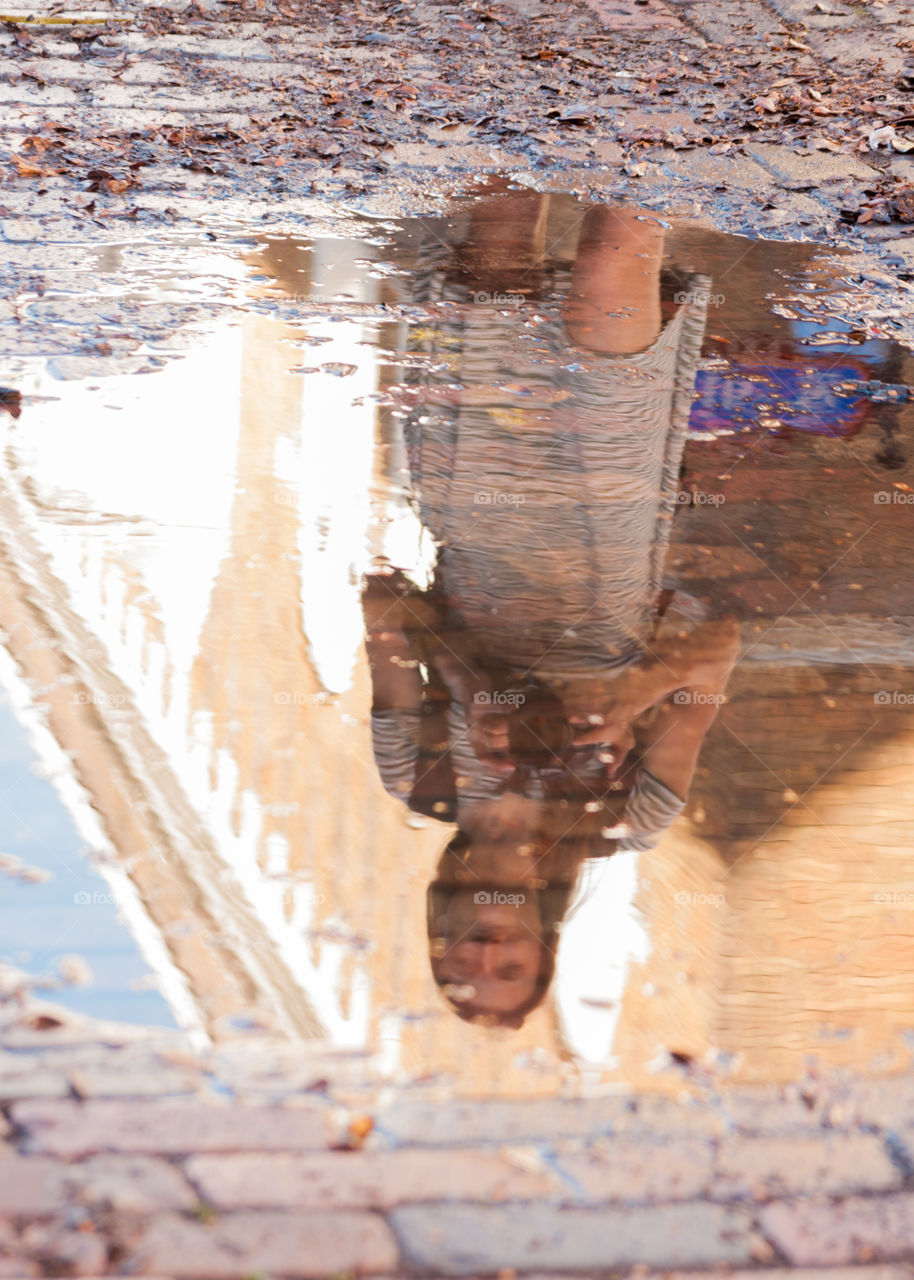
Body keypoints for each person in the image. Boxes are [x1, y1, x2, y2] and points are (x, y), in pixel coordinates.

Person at [363, 187, 740, 1028]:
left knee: (497, 229)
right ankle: (656, 84)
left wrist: (466, 682)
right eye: (510, 965)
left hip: (470, 495)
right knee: (617, 249)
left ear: (439, 937)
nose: (486, 950)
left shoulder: (417, 777)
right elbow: (719, 645)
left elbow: (382, 600)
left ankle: (531, 69)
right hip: (609, 516)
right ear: (542, 944)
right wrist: (625, 699)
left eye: (465, 965)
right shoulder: (630, 817)